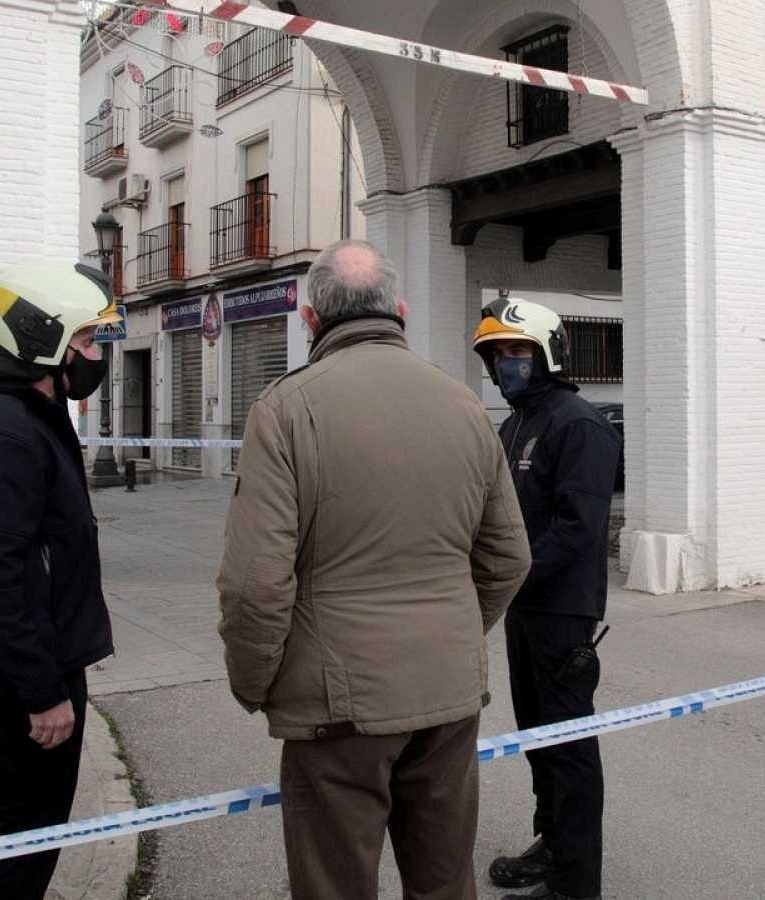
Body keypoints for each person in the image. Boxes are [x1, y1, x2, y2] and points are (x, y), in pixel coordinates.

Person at [218, 239, 531, 899]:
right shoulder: (466, 407)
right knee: (445, 881)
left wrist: (256, 683)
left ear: (310, 321)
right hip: (446, 694)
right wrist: (450, 628)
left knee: (336, 883)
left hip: (338, 707)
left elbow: (254, 585)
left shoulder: (285, 409)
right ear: (402, 311)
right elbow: (508, 555)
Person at [0, 260, 123, 898]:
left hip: (43, 663)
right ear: (43, 341)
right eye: (87, 340)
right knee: (21, 826)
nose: (96, 355)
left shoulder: (31, 420)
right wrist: (42, 693)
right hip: (28, 682)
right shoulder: (3, 437)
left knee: (32, 823)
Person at [473, 295, 620, 900]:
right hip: (524, 608)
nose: (507, 364)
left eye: (517, 351)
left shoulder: (577, 423)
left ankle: (575, 881)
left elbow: (579, 529)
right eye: (498, 354)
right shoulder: (514, 425)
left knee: (568, 744)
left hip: (562, 612)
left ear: (546, 353)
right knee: (537, 736)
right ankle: (552, 841)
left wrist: (511, 572)